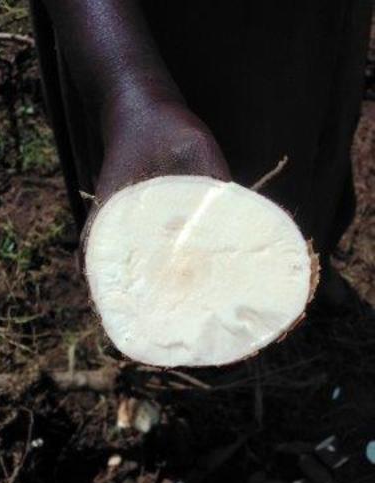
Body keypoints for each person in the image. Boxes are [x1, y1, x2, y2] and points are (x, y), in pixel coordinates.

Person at [30, 0, 372, 309]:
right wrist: (130, 90)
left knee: (318, 137)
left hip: (313, 19)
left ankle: (313, 264)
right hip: (134, 31)